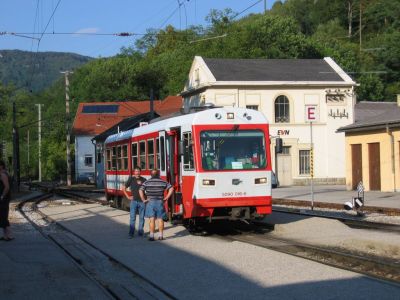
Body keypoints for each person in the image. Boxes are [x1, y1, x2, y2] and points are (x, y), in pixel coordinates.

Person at [139, 169, 174, 241]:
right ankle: (160, 236)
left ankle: (151, 236)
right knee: (160, 219)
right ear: (158, 174)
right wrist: (166, 198)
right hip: (160, 202)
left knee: (151, 220)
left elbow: (140, 190)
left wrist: (143, 200)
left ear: (151, 175)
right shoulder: (163, 182)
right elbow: (171, 188)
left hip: (150, 202)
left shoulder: (147, 182)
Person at [123, 166, 146, 238]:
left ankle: (140, 232)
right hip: (134, 201)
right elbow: (123, 187)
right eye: (136, 171)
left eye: (138, 171)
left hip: (142, 201)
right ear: (134, 172)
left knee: (142, 218)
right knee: (133, 218)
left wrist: (146, 199)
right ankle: (131, 233)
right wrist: (127, 196)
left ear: (140, 172)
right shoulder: (131, 179)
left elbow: (147, 189)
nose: (137, 173)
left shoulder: (144, 179)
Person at [0, 160, 13, 241]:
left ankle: (9, 235)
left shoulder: (3, 174)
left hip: (3, 198)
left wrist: (2, 196)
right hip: (4, 198)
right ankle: (5, 236)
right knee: (3, 215)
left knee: (3, 216)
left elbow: (7, 187)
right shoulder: (5, 173)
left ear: (1, 166)